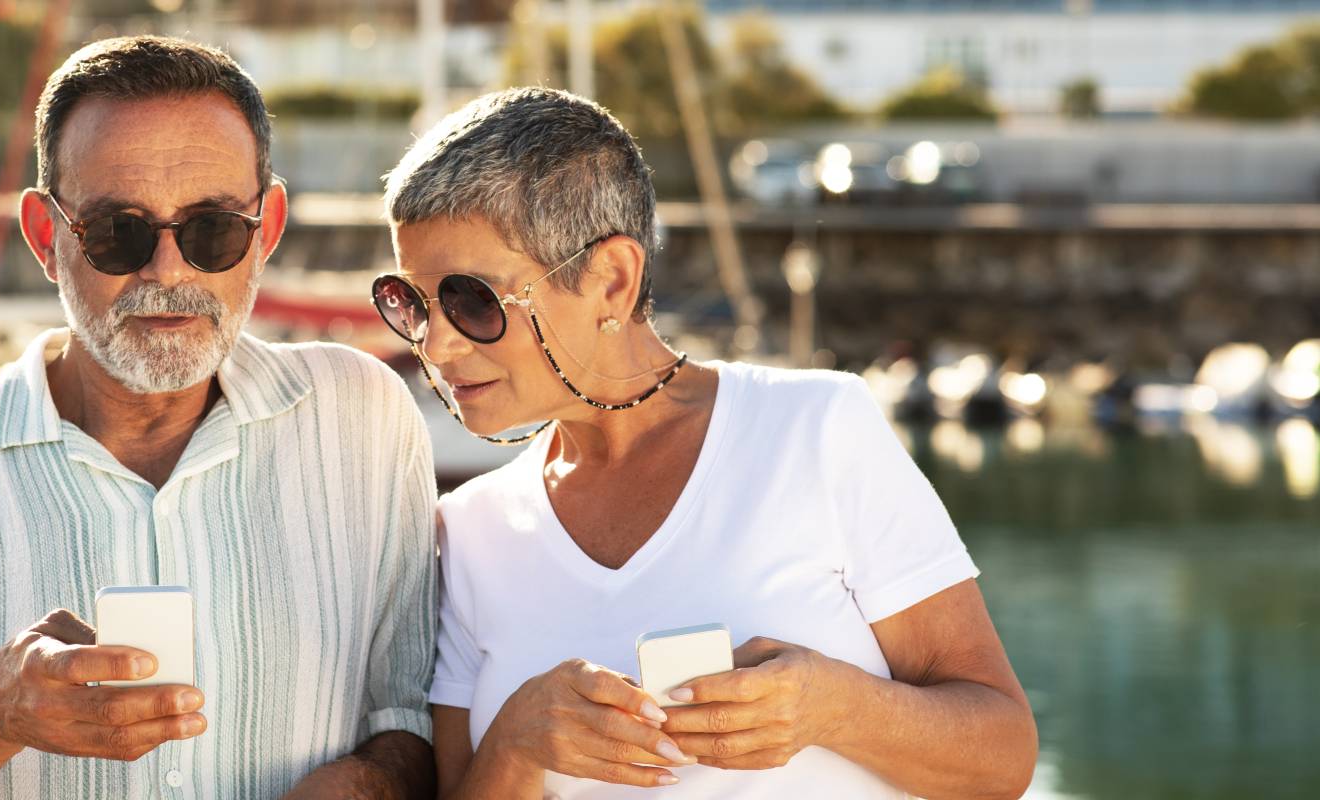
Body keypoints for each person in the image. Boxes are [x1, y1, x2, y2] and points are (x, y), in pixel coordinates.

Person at [0, 36, 438, 799]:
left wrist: (375, 781)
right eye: (120, 233)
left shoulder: (363, 421)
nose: (167, 271)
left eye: (213, 230)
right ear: (46, 238)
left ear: (266, 229)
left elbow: (414, 711)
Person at [370, 87, 1037, 799]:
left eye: (471, 299)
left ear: (611, 281)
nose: (433, 343)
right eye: (410, 301)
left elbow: (1002, 757)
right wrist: (515, 745)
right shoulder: (469, 534)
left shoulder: (816, 429)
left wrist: (835, 709)